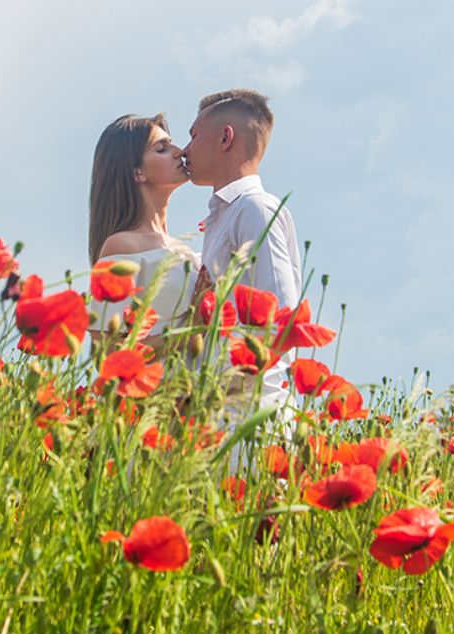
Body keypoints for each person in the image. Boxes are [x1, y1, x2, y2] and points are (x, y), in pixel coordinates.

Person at [181, 89, 302, 409]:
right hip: (219, 410)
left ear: (226, 138)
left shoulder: (254, 209)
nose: (185, 149)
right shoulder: (225, 216)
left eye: (194, 136)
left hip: (251, 414)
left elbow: (281, 322)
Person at [87, 114, 198, 344]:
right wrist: (193, 327)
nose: (179, 152)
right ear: (137, 172)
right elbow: (108, 351)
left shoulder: (183, 249)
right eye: (162, 149)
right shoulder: (122, 246)